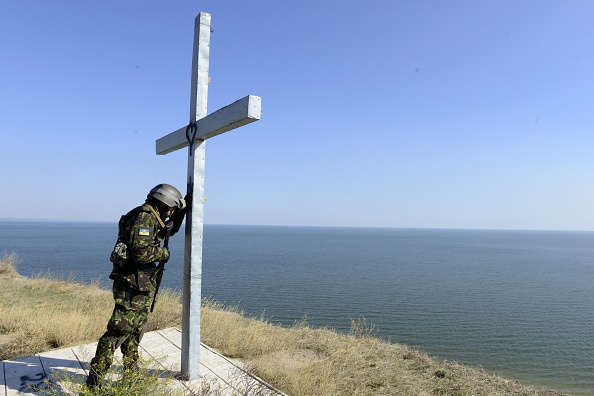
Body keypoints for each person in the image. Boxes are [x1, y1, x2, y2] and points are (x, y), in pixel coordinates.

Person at [85, 183, 190, 389]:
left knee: (133, 333)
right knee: (117, 331)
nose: (171, 213)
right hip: (131, 285)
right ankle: (94, 382)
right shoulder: (143, 217)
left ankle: (131, 376)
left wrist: (181, 213)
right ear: (163, 202)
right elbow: (141, 253)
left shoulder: (152, 217)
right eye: (171, 209)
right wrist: (164, 254)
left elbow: (167, 231)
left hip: (139, 284)